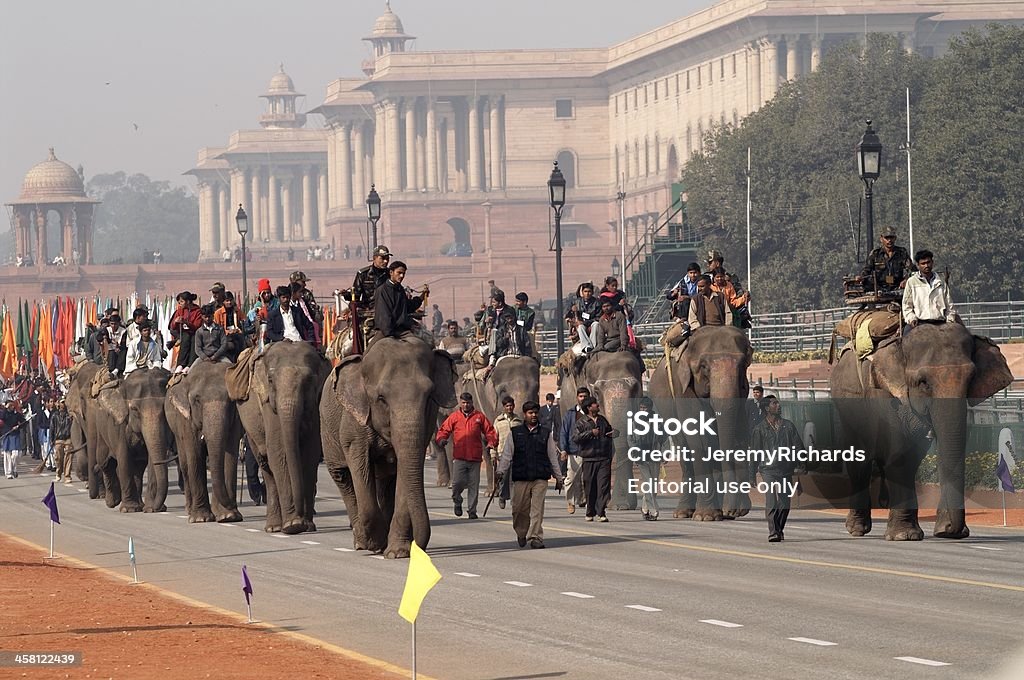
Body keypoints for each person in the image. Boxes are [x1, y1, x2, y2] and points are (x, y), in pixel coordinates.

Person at [496, 401, 565, 548]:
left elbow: (553, 457)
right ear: (524, 414)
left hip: (540, 477)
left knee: (537, 509)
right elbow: (507, 455)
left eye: (535, 413)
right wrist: (500, 471)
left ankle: (535, 538)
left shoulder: (546, 433)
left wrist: (559, 477)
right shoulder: (515, 433)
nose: (533, 415)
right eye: (530, 413)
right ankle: (521, 532)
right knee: (519, 509)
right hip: (521, 477)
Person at [435, 393, 498, 519]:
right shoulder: (454, 417)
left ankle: (472, 511)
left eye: (468, 403)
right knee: (457, 484)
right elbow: (444, 430)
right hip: (459, 457)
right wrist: (441, 439)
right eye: (463, 403)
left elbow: (490, 431)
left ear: (472, 403)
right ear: (460, 403)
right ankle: (457, 501)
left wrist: (491, 442)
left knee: (473, 485)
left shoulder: (479, 417)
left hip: (475, 458)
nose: (466, 405)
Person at [750, 395, 802, 542]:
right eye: (774, 403)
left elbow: (798, 447)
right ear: (767, 408)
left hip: (785, 469)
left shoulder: (788, 426)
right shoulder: (759, 429)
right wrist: (751, 475)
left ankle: (779, 528)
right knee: (771, 501)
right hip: (768, 470)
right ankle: (773, 531)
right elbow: (754, 453)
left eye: (778, 403)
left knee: (785, 503)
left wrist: (801, 463)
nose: (778, 405)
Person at [572, 396, 618, 521]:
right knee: (590, 486)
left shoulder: (603, 420)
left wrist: (614, 433)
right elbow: (575, 438)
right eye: (594, 404)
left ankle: (601, 512)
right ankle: (590, 511)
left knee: (603, 485)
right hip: (589, 458)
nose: (597, 405)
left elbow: (610, 431)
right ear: (588, 407)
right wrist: (590, 433)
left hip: (604, 458)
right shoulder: (581, 422)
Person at [628, 397, 666, 520]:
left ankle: (644, 508)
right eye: (641, 408)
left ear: (650, 408)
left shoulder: (658, 421)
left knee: (653, 486)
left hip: (654, 456)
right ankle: (654, 511)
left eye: (645, 408)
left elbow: (664, 438)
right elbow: (630, 438)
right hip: (641, 457)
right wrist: (634, 450)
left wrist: (665, 453)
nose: (643, 410)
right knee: (649, 483)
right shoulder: (634, 421)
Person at [372, 261, 426, 340]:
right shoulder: (382, 290)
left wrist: (421, 297)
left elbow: (407, 307)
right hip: (385, 331)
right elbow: (384, 315)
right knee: (368, 352)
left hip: (403, 331)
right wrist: (389, 335)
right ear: (391, 272)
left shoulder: (400, 289)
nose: (401, 276)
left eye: (403, 274)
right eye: (399, 273)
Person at [902, 249, 956, 329]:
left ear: (932, 262)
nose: (926, 265)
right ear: (917, 265)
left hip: (940, 323)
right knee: (905, 337)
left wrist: (950, 320)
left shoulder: (941, 282)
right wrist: (911, 318)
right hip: (919, 323)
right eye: (923, 263)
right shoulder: (912, 282)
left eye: (928, 262)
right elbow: (907, 305)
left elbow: (949, 305)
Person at [558, 387, 591, 513]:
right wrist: (563, 449)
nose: (583, 398)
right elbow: (564, 432)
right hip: (574, 451)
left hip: (589, 451)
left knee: (588, 479)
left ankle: (588, 503)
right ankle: (570, 502)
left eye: (585, 396)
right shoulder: (571, 413)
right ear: (577, 397)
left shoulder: (593, 413)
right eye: (581, 396)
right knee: (570, 479)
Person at [860, 226, 914, 293]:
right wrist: (861, 277)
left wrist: (907, 280)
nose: (889, 240)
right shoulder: (875, 254)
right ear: (881, 239)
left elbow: (913, 270)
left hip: (898, 288)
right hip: (879, 289)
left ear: (895, 238)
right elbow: (867, 270)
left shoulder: (902, 252)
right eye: (886, 238)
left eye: (891, 237)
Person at [492, 396, 522, 509]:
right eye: (507, 406)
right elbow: (494, 439)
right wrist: (493, 454)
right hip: (502, 453)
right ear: (504, 407)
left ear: (514, 406)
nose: (509, 408)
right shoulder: (498, 421)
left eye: (511, 405)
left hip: (516, 453)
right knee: (503, 478)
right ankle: (502, 496)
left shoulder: (518, 421)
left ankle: (514, 500)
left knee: (514, 479)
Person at [169, 291, 202, 373]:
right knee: (186, 338)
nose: (180, 304)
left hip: (195, 333)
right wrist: (176, 322)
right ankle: (181, 364)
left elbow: (197, 326)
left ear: (188, 301)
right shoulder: (179, 310)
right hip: (183, 333)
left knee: (194, 340)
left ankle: (190, 365)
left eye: (182, 302)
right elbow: (172, 327)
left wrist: (186, 322)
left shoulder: (197, 311)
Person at [566, 282, 601, 352]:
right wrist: (572, 310)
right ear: (582, 292)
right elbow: (568, 315)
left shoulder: (597, 303)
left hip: (592, 323)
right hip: (581, 324)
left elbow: (598, 317)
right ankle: (586, 346)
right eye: (585, 291)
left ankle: (593, 346)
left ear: (592, 292)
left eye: (589, 291)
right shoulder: (577, 302)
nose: (587, 293)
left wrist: (585, 322)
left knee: (596, 325)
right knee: (580, 327)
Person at [213, 291, 245, 361]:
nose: (229, 303)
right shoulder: (218, 313)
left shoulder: (237, 311)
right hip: (224, 336)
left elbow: (244, 320)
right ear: (223, 302)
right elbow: (216, 330)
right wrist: (228, 332)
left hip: (236, 334)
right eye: (227, 301)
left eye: (231, 300)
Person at [50, 399, 73, 483]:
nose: (63, 404)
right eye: (62, 402)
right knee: (58, 458)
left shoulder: (70, 415)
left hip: (68, 439)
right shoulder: (55, 415)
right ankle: (58, 473)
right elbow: (52, 428)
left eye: (64, 403)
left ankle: (67, 475)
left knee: (69, 457)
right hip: (58, 439)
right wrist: (51, 440)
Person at [1, 400, 25, 479]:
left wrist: (18, 426)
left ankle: (14, 469)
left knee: (15, 454)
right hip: (7, 434)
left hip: (15, 435)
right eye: (10, 405)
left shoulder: (17, 414)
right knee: (7, 455)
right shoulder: (4, 413)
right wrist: (5, 408)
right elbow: (2, 418)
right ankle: (8, 472)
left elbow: (24, 422)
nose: (12, 407)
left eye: (12, 405)